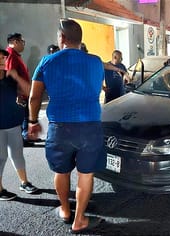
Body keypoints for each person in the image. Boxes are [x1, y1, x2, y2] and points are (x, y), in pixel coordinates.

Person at [28, 18, 106, 234]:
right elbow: (97, 88)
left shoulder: (46, 61)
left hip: (60, 128)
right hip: (90, 126)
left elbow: (34, 97)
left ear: (61, 38)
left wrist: (33, 121)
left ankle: (64, 210)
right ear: (80, 39)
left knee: (61, 172)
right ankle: (79, 219)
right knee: (85, 174)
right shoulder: (96, 61)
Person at [0, 48, 38, 200]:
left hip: (14, 123)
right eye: (0, 59)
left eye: (3, 59)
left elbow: (29, 91)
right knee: (1, 158)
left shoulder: (10, 78)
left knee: (17, 155)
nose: (2, 62)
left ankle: (24, 182)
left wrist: (16, 76)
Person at [5, 33, 40, 146]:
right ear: (15, 42)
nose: (24, 45)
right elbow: (10, 75)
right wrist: (16, 94)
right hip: (17, 94)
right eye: (22, 42)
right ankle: (21, 139)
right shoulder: (10, 54)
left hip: (22, 92)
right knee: (20, 117)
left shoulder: (15, 55)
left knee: (25, 115)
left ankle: (26, 136)